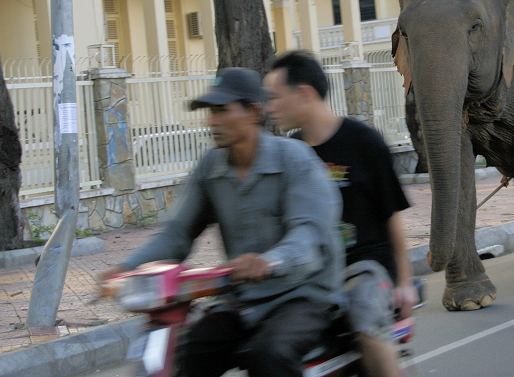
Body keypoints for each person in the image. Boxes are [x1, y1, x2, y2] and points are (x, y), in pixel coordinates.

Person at [100, 67, 343, 377]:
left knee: (269, 355)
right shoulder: (211, 167)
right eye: (210, 113)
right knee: (190, 353)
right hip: (242, 299)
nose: (212, 122)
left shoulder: (294, 159)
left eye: (222, 111)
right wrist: (127, 267)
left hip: (302, 295)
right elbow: (177, 234)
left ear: (254, 112)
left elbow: (309, 236)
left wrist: (269, 261)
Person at [263, 51, 416, 377]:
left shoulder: (364, 141)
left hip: (366, 268)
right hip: (314, 275)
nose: (270, 108)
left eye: (275, 98)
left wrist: (403, 283)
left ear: (304, 93)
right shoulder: (292, 152)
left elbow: (392, 217)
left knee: (367, 329)